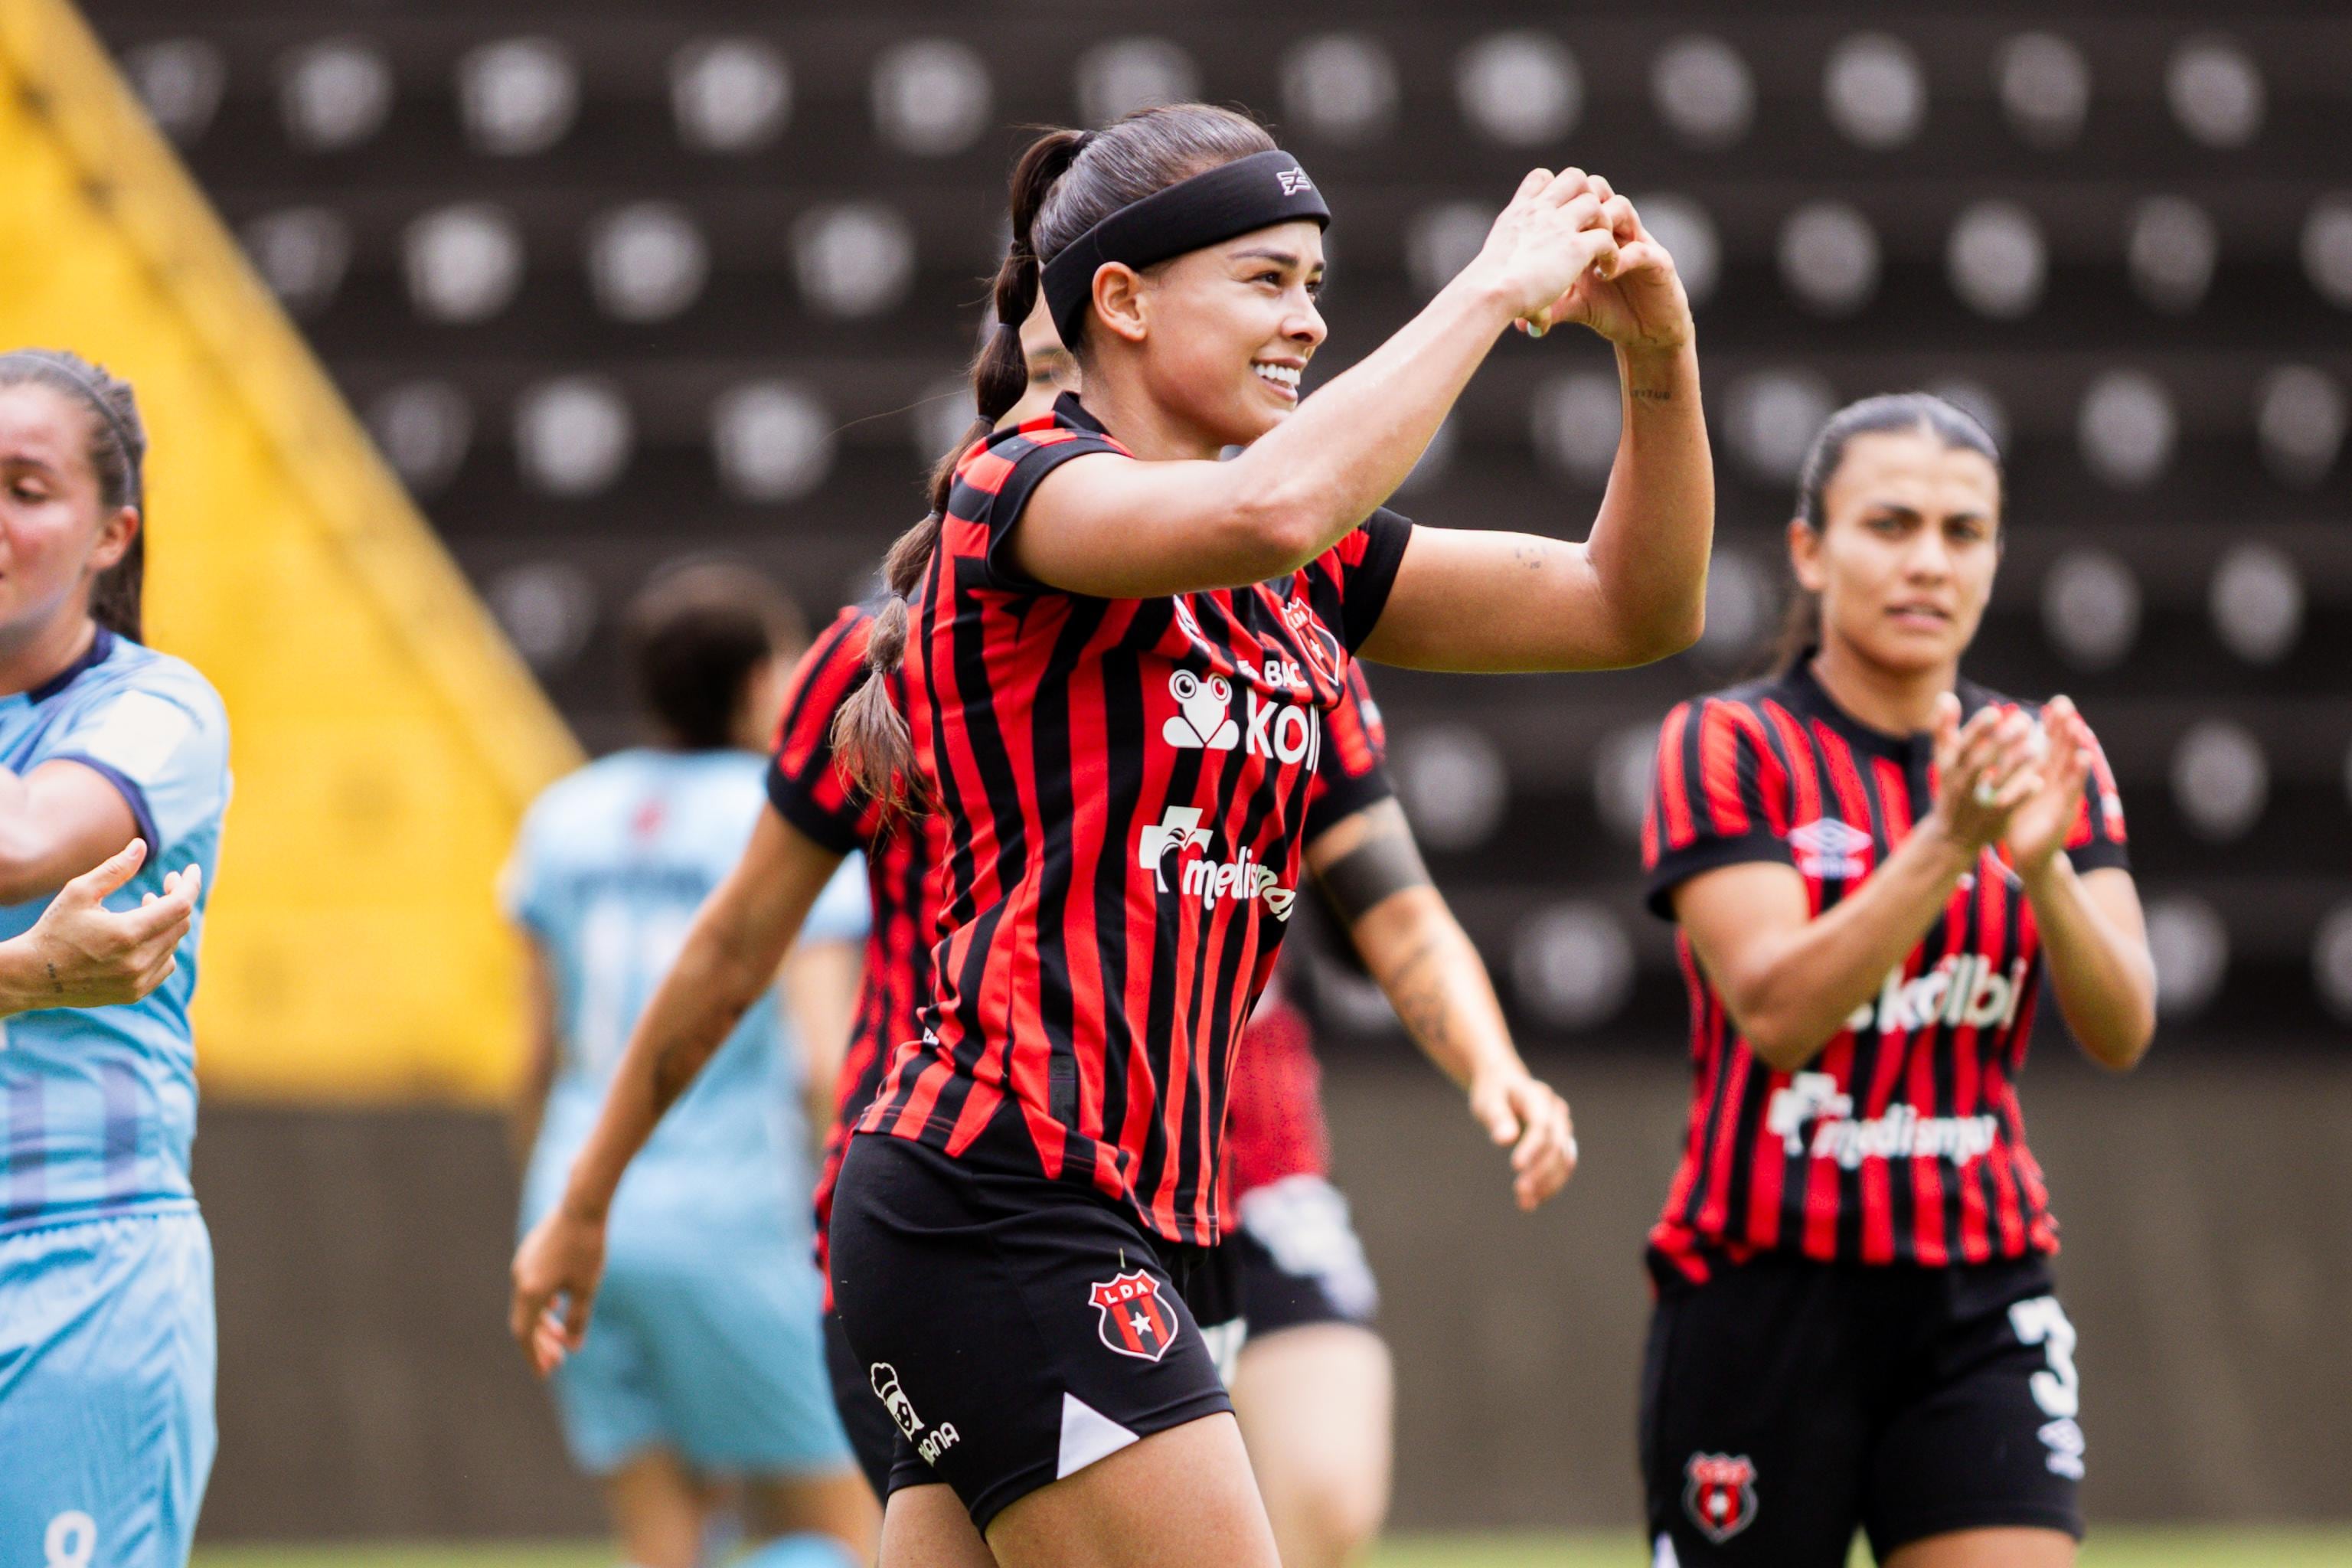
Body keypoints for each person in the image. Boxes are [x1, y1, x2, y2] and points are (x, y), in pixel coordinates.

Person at [809, 103, 1707, 1568]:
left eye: (1315, 283)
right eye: (1268, 281)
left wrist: (1657, 360)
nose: (1309, 320)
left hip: (1131, 1209)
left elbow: (1634, 606)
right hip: (1007, 1191)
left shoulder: (1300, 559)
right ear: (1121, 300)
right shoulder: (1023, 483)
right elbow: (1268, 507)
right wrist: (1492, 287)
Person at [1637, 393, 2156, 1568]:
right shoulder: (1727, 744)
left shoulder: (2044, 759)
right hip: (1760, 1295)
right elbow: (1776, 1011)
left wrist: (2043, 871)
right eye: (1890, 524)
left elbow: (2124, 1026)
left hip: (1979, 1294)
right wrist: (1950, 843)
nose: (1929, 561)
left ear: (1995, 559)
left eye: (1963, 532)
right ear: (1811, 551)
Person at [504, 564, 877, 1568]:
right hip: (733, 1218)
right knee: (846, 1533)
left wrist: (558, 1202)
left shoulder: (564, 815)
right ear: (761, 681)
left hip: (579, 1205)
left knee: (663, 1544)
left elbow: (533, 1057)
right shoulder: (784, 819)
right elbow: (822, 1058)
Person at [0, 349, 227, 1566]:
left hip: (75, 1264)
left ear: (111, 533)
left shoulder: (157, 712)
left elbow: (20, 845)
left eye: (25, 489)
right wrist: (25, 978)